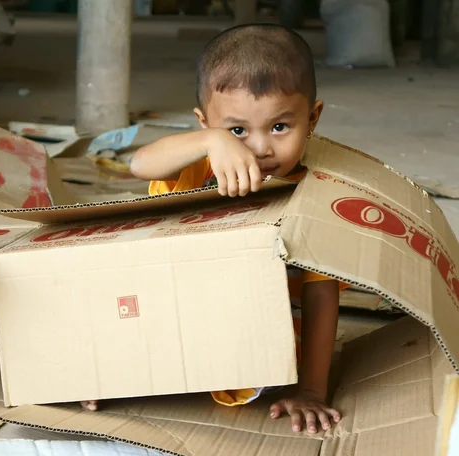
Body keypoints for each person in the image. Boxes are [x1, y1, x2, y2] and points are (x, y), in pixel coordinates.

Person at [122, 23, 343, 434]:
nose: (259, 148)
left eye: (280, 127)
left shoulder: (314, 195)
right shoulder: (197, 167)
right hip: (169, 321)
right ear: (204, 122)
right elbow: (139, 165)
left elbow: (320, 293)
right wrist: (212, 143)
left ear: (312, 119)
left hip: (253, 342)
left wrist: (313, 390)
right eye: (237, 130)